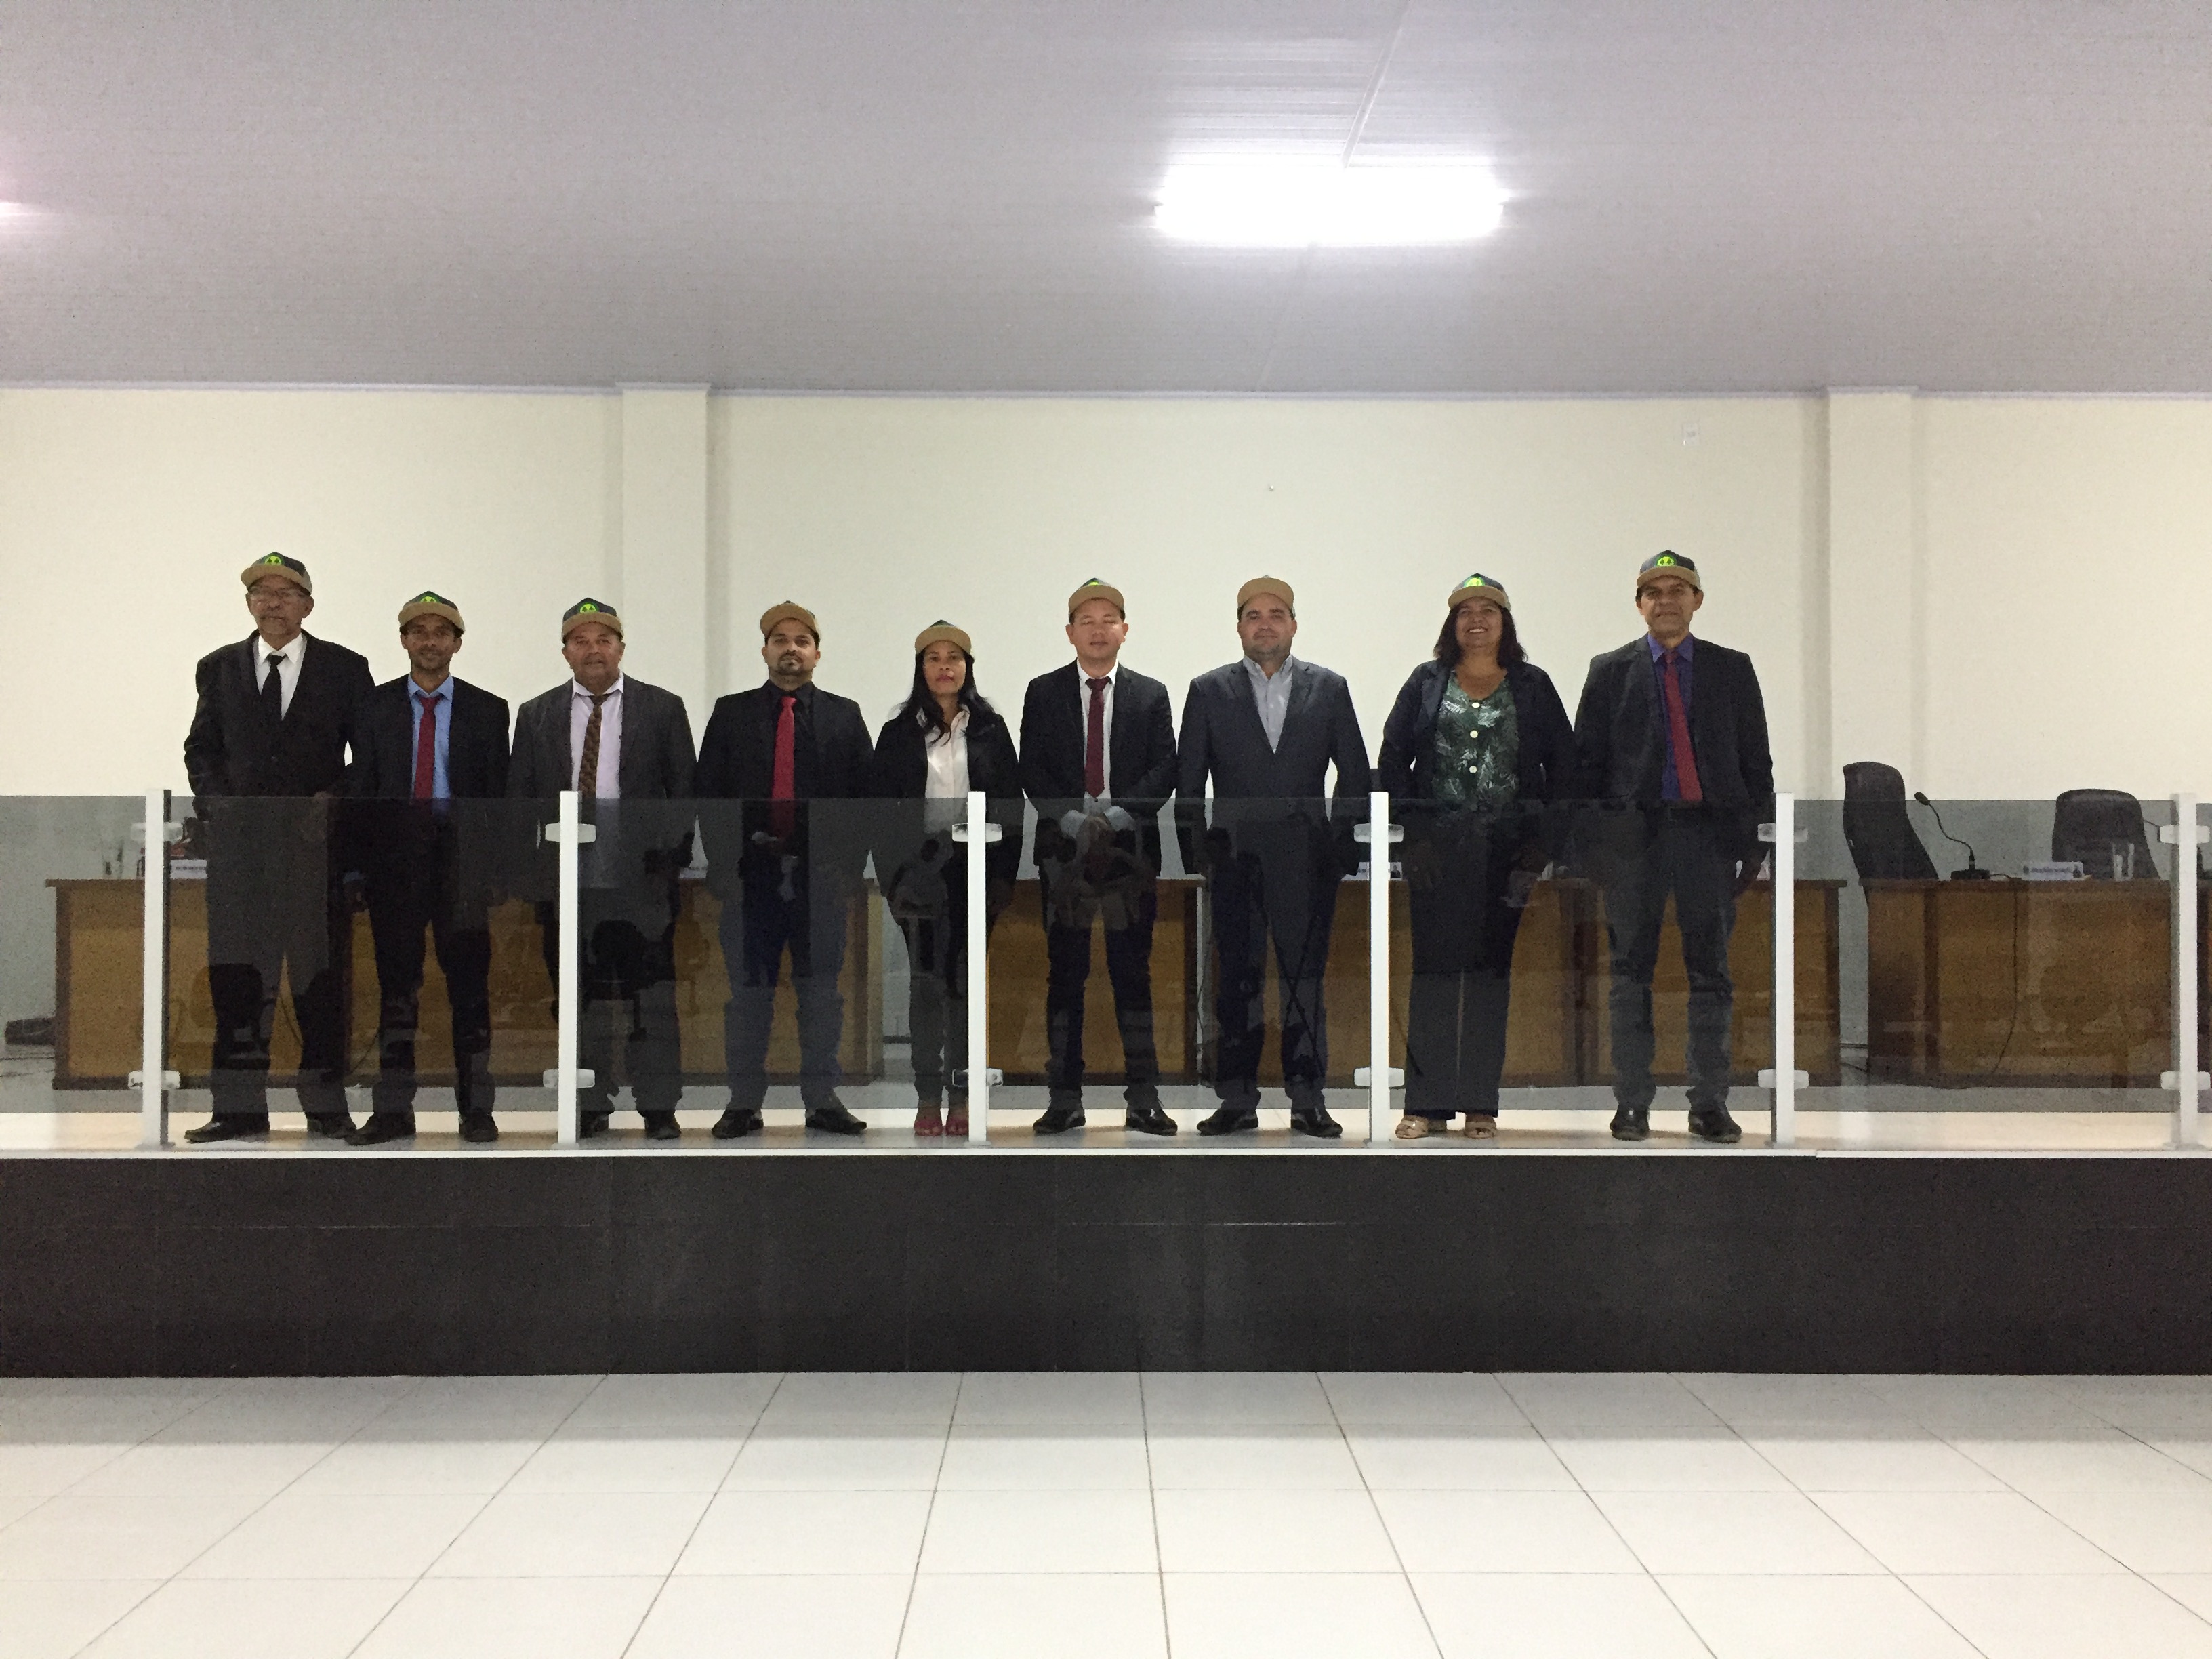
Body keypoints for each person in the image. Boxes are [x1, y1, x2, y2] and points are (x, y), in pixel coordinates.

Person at [1572, 552, 1773, 1145]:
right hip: (1633, 842)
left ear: (1697, 600)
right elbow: (1586, 765)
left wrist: (1754, 842)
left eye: (1677, 590)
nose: (1666, 601)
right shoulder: (1609, 671)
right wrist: (1592, 850)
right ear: (1639, 605)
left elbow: (1755, 758)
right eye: (1654, 592)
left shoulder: (1731, 669)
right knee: (1629, 975)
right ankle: (1632, 1104)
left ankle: (1709, 1104)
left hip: (1707, 838)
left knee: (1711, 974)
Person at [182, 554, 374, 1143]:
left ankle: (325, 1106)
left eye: (285, 593)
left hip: (315, 856)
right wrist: (220, 806)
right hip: (241, 858)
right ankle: (238, 1108)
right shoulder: (218, 667)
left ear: (307, 605)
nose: (272, 602)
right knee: (238, 982)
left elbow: (368, 758)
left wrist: (331, 802)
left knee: (320, 984)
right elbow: (201, 750)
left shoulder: (345, 668)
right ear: (248, 604)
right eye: (261, 593)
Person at [1377, 575, 1576, 1141]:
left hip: (1508, 855)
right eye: (1465, 611)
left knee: (1490, 975)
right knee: (1434, 975)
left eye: (1489, 610)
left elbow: (1564, 769)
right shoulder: (1425, 681)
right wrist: (1411, 841)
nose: (1477, 620)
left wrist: (1540, 849)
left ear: (1505, 623)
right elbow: (1393, 761)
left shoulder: (1533, 685)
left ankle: (1480, 1104)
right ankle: (1425, 1104)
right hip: (1435, 855)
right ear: (1452, 625)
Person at [1176, 576, 1371, 1138]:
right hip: (1233, 859)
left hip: (1306, 862)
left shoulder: (1329, 688)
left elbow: (1354, 773)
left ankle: (1308, 1099)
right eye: (1254, 615)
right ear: (1239, 627)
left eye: (1277, 614)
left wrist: (1341, 849)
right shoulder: (1207, 690)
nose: (1266, 625)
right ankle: (1237, 1099)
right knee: (1236, 983)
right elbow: (1189, 781)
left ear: (1294, 625)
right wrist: (1198, 855)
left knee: (1303, 982)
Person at [507, 599, 697, 1141]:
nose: (594, 650)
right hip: (568, 884)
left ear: (621, 648)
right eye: (581, 641)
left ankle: (658, 1106)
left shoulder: (662, 708)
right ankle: (589, 1103)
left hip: (641, 883)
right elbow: (520, 798)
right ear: (565, 652)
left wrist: (667, 865)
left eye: (604, 640)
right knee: (578, 998)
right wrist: (530, 873)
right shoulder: (536, 713)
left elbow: (684, 790)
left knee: (651, 998)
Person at [695, 602, 875, 1139]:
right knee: (748, 995)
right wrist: (724, 867)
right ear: (765, 651)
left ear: (817, 654)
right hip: (750, 878)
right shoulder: (732, 713)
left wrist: (848, 870)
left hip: (821, 878)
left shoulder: (845, 716)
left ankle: (822, 1099)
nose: (790, 648)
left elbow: (864, 801)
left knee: (822, 995)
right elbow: (710, 796)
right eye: (780, 640)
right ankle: (743, 1103)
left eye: (802, 641)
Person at [340, 592, 510, 1146]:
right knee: (397, 991)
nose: (430, 641)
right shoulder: (375, 706)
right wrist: (356, 869)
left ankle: (476, 1110)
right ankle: (393, 1111)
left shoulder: (489, 710)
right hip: (395, 864)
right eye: (419, 631)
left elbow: (498, 799)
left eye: (441, 632)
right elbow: (361, 791)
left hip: (461, 866)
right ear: (404, 641)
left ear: (458, 643)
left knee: (470, 992)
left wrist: (496, 871)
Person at [1019, 579, 1180, 1137]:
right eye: (1086, 621)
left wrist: (1114, 817)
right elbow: (1032, 768)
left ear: (1124, 630)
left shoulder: (1151, 694)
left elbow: (1165, 768)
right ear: (1070, 633)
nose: (1097, 629)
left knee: (1132, 973)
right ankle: (1064, 1098)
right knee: (1065, 975)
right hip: (1063, 856)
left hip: (1129, 854)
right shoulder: (1042, 692)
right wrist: (1071, 820)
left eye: (1108, 619)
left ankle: (1144, 1098)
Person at [871, 622, 1022, 1137]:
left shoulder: (990, 729)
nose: (944, 667)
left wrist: (1003, 878)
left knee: (964, 984)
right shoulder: (898, 733)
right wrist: (893, 880)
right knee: (926, 984)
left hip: (976, 867)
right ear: (921, 669)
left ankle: (962, 1094)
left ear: (967, 667)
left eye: (953, 657)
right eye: (933, 658)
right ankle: (926, 1096)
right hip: (919, 872)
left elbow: (1011, 807)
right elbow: (880, 815)